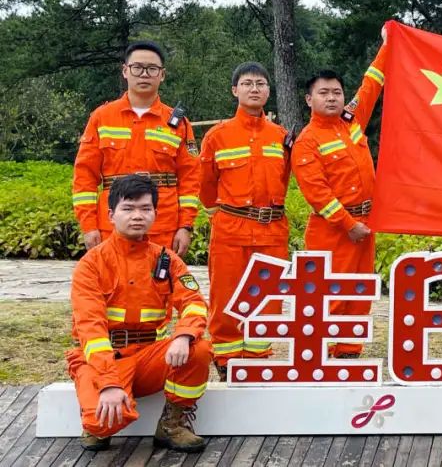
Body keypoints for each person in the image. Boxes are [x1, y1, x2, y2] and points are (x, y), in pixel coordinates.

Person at [67, 174, 211, 453]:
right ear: (111, 215)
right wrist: (108, 382)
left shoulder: (167, 260)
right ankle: (95, 411)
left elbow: (194, 302)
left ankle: (172, 424)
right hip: (104, 359)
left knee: (200, 349)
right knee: (100, 425)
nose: (137, 216)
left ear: (155, 213)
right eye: (128, 208)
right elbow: (90, 329)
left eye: (145, 208)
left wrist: (183, 335)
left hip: (148, 357)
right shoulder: (91, 264)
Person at [291, 36, 388, 357]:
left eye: (336, 92)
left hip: (365, 222)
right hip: (332, 230)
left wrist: (388, 45)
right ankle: (319, 353)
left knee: (360, 290)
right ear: (309, 99)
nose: (332, 98)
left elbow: (371, 85)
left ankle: (348, 350)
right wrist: (348, 225)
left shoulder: (351, 120)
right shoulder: (307, 141)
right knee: (331, 292)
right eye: (324, 93)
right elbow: (317, 193)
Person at [199, 62, 290, 378]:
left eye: (260, 84)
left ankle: (258, 358)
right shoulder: (217, 136)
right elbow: (205, 186)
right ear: (234, 90)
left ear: (268, 91)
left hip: (271, 231)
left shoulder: (281, 137)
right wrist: (224, 214)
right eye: (248, 83)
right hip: (230, 230)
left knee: (267, 299)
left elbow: (285, 180)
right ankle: (226, 360)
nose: (254, 89)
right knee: (226, 296)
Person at [72, 41, 200, 255]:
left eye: (152, 69)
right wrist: (88, 225)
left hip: (163, 225)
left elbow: (191, 179)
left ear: (162, 75)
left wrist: (185, 226)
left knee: (160, 276)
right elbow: (84, 176)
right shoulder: (102, 117)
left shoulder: (178, 123)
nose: (144, 74)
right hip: (112, 225)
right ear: (125, 71)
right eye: (137, 67)